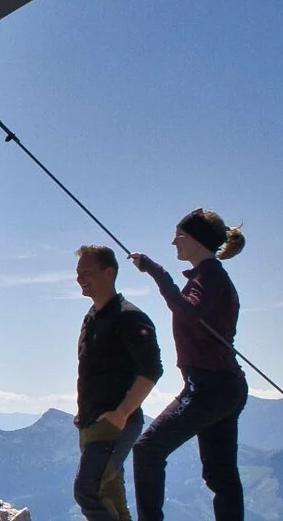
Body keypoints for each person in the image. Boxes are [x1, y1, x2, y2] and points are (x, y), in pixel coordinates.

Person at [128, 208, 248, 521]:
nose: (173, 242)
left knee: (147, 450)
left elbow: (188, 311)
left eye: (179, 235)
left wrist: (156, 272)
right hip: (224, 385)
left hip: (207, 387)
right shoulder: (210, 276)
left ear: (197, 239)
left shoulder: (209, 276)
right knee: (220, 476)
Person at [72, 244, 162, 521]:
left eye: (86, 271)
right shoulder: (92, 317)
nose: (79, 278)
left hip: (114, 423)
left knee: (87, 489)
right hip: (92, 421)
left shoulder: (129, 317)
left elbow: (152, 370)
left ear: (109, 272)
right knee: (109, 493)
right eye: (77, 273)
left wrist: (121, 414)